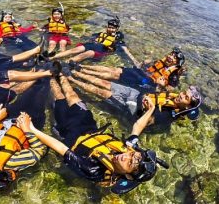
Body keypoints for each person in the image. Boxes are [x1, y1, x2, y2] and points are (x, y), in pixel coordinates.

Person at [22, 76, 168, 195]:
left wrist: (32, 129)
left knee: (59, 98)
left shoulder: (94, 170)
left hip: (70, 132)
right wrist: (151, 110)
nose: (126, 156)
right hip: (88, 125)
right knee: (72, 95)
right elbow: (137, 127)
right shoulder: (128, 150)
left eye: (129, 163)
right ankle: (59, 73)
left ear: (128, 176)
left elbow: (61, 148)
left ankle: (50, 78)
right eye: (131, 155)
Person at [67, 71, 202, 125]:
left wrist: (149, 108)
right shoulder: (173, 96)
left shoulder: (168, 115)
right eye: (183, 93)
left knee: (101, 92)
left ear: (188, 106)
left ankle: (71, 79)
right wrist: (159, 87)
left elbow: (145, 121)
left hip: (131, 105)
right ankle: (75, 72)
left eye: (185, 97)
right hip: (136, 93)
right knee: (105, 83)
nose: (180, 95)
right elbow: (158, 94)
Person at [9, 18, 125, 64]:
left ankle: (65, 63)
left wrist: (132, 58)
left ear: (117, 29)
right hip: (92, 45)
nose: (110, 29)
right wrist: (76, 34)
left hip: (100, 50)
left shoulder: (118, 37)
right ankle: (49, 58)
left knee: (87, 54)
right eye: (109, 27)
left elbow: (122, 48)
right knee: (76, 49)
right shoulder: (101, 34)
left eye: (113, 28)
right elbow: (88, 36)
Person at [70, 47, 186, 91]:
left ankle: (80, 71)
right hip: (139, 73)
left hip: (144, 82)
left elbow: (170, 90)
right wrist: (144, 63)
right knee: (114, 69)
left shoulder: (174, 76)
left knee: (114, 75)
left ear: (177, 63)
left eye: (174, 57)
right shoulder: (159, 61)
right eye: (171, 54)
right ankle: (82, 67)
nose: (170, 57)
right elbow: (146, 67)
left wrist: (162, 85)